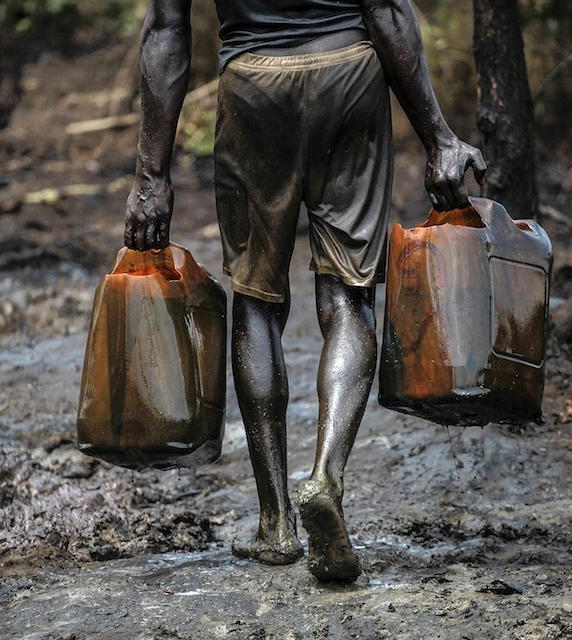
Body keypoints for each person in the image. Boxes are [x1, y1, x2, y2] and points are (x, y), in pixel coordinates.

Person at [124, 0, 486, 582]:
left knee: (256, 301)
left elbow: (168, 29)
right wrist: (439, 137)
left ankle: (276, 524)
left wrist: (150, 174)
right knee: (349, 295)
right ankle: (326, 477)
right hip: (349, 76)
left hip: (253, 88)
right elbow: (389, 9)